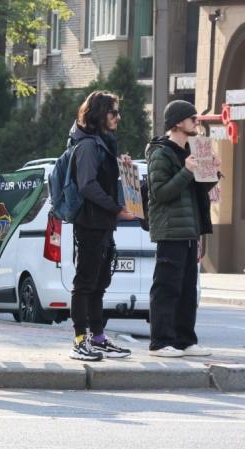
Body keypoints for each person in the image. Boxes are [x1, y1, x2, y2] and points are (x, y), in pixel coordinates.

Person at [146, 100, 219, 358]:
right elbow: (161, 193)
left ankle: (185, 341)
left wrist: (212, 172)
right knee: (167, 287)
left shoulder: (191, 149)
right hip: (170, 231)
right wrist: (188, 170)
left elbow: (196, 191)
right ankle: (160, 342)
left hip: (189, 230)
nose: (196, 122)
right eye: (192, 118)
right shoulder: (160, 153)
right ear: (178, 122)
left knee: (188, 289)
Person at [68, 91, 134, 361]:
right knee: (85, 283)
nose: (118, 117)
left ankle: (98, 337)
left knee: (99, 283)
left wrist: (123, 167)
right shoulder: (86, 145)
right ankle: (80, 340)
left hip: (103, 224)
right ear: (99, 114)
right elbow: (87, 185)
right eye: (113, 112)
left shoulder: (103, 143)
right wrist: (117, 208)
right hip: (90, 224)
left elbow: (106, 179)